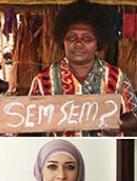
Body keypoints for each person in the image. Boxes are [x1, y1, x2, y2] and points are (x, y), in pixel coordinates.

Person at [27, 1, 137, 136]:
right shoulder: (42, 81)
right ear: (63, 41)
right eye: (72, 37)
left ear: (98, 43)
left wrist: (119, 124)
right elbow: (28, 122)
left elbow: (134, 116)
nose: (78, 43)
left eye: (87, 38)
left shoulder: (117, 78)